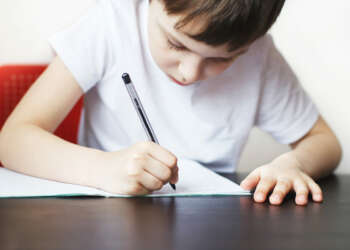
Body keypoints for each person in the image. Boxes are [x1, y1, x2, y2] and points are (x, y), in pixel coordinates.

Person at [0, 0, 342, 205]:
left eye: (223, 59)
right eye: (176, 44)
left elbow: (324, 142)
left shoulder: (260, 57)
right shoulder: (111, 25)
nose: (190, 72)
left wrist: (293, 164)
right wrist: (104, 169)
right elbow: (13, 140)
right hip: (105, 216)